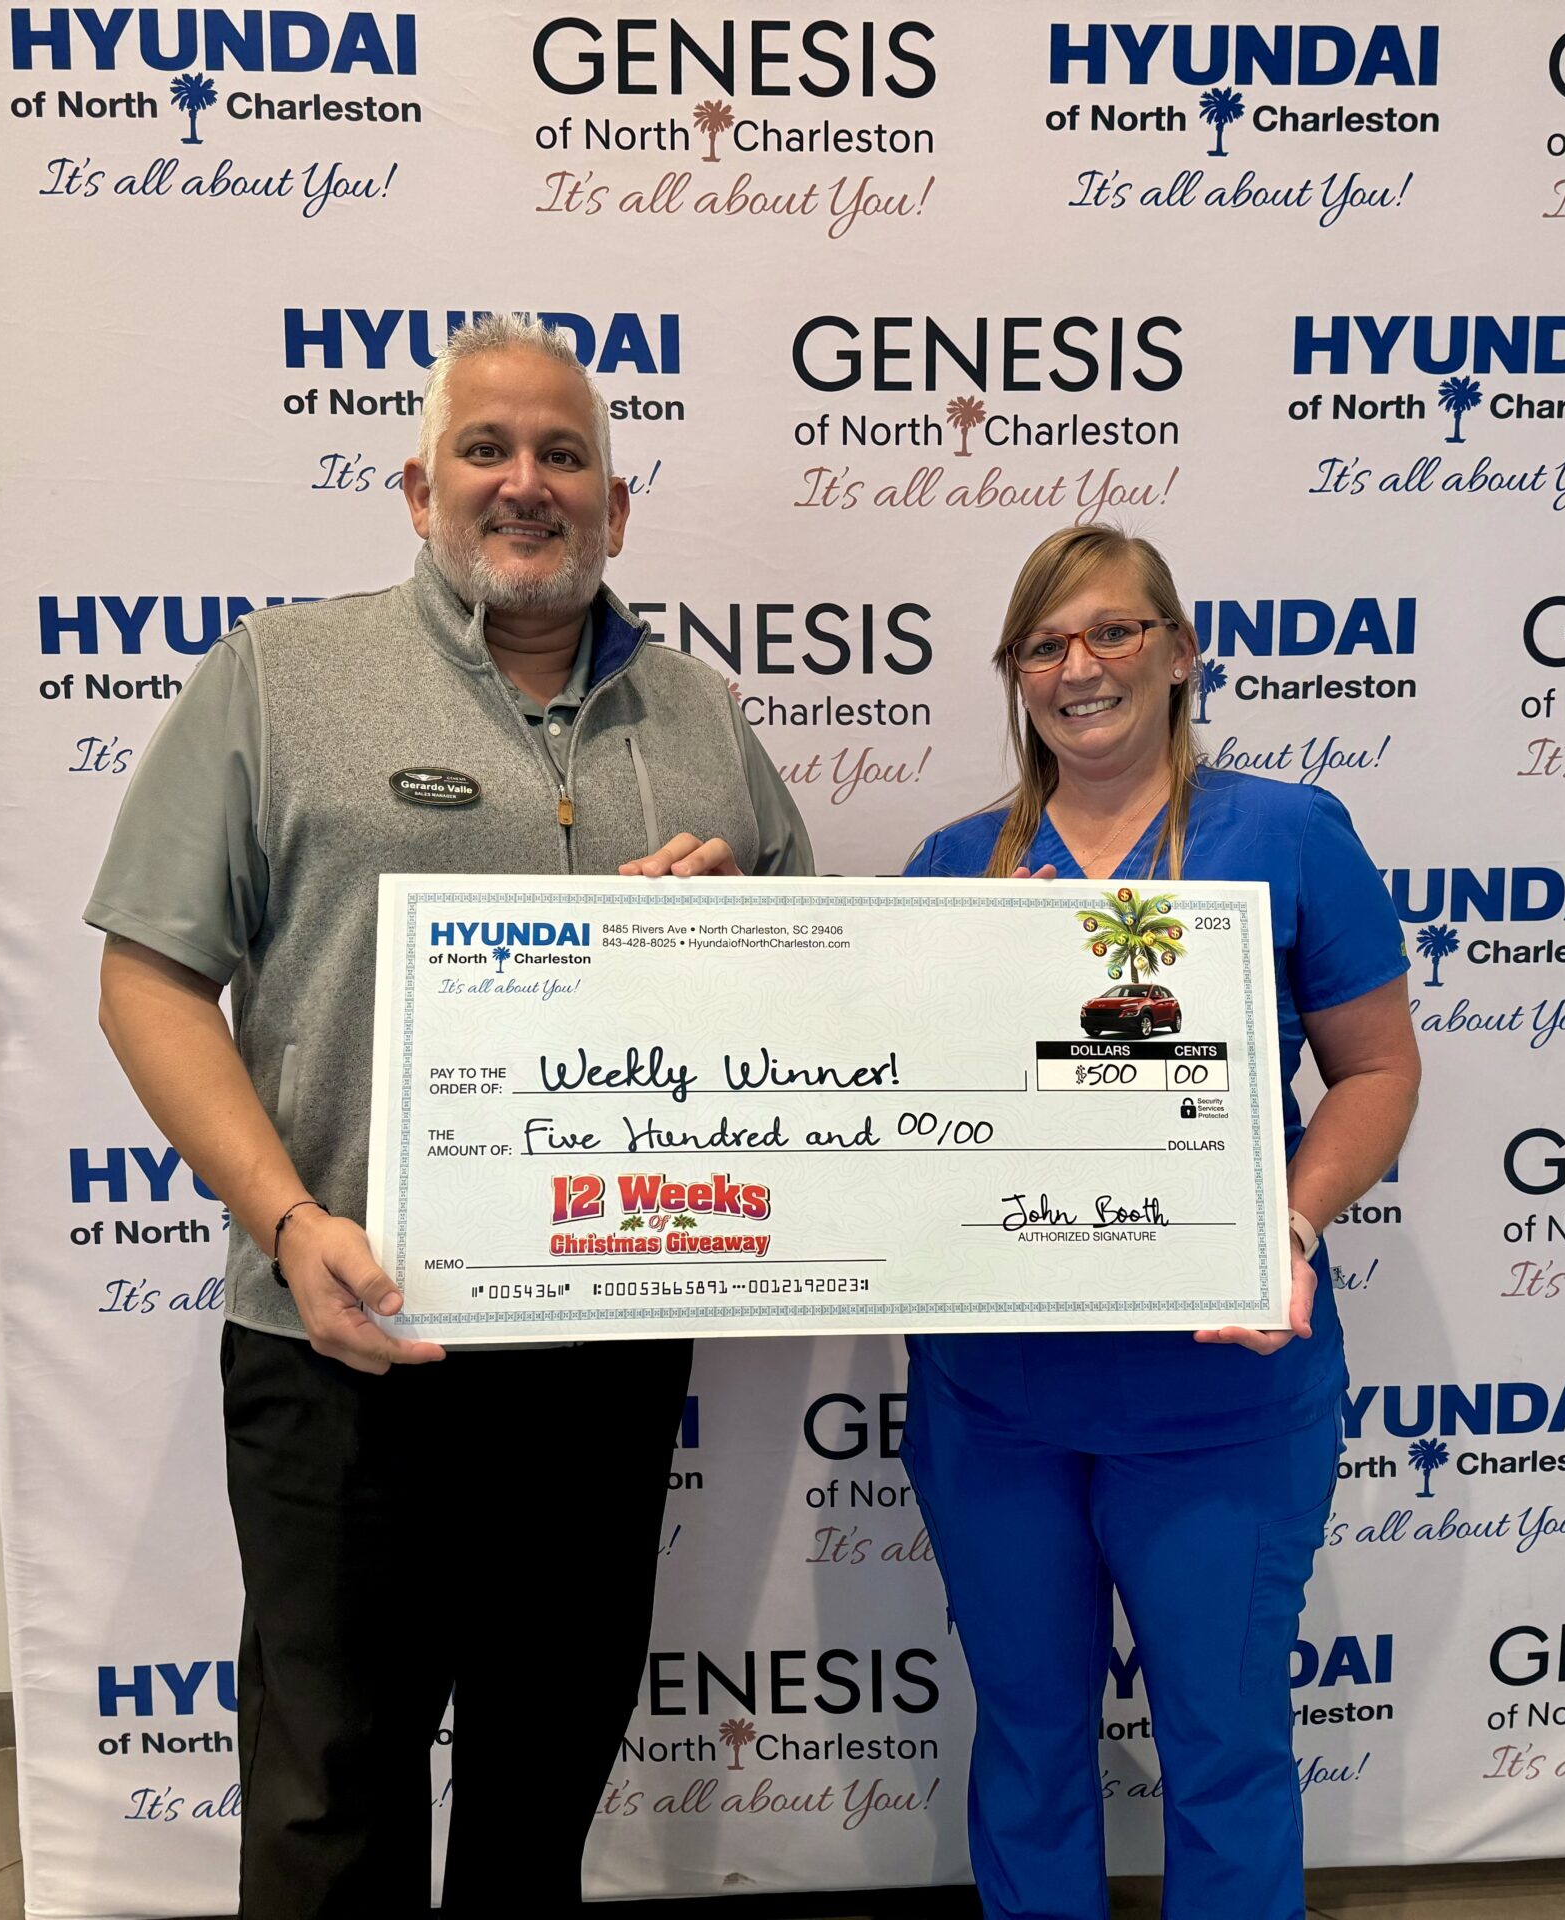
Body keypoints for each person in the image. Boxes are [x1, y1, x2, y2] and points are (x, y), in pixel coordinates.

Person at [86, 313, 813, 1917]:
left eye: (565, 454)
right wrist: (288, 1221)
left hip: (602, 1356)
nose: (525, 481)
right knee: (330, 1789)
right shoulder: (279, 679)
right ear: (421, 490)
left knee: (543, 1777)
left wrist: (735, 933)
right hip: (345, 1341)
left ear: (616, 507)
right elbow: (149, 981)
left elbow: (808, 1010)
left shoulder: (703, 719)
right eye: (486, 449)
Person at [898, 524, 1419, 1919]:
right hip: (994, 1399)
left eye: (1114, 631)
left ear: (1180, 653)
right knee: (1028, 1741)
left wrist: (1289, 1227)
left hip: (1219, 1393)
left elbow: (1377, 1072)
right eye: (1045, 644)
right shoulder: (955, 866)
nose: (1080, 666)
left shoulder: (1288, 833)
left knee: (1224, 1748)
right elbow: (890, 1113)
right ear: (1017, 675)